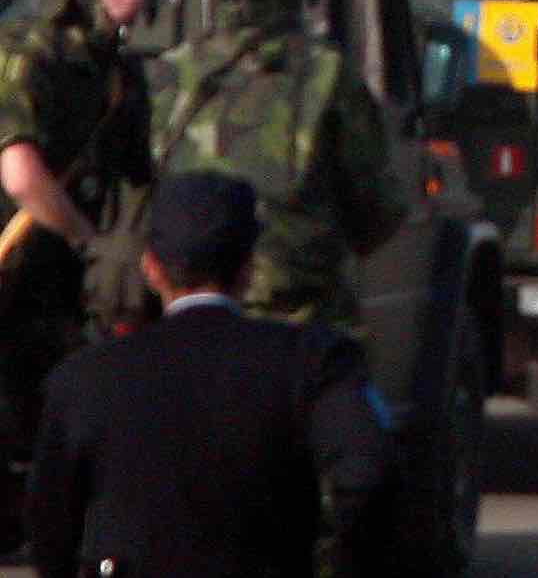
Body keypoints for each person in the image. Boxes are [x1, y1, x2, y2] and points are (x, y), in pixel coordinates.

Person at [28, 171, 393, 578]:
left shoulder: (83, 380)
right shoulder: (315, 361)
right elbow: (367, 475)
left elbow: (49, 522)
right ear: (249, 269)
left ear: (151, 268)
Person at [146, 0, 409, 328]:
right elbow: (377, 212)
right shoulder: (326, 74)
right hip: (301, 323)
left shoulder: (171, 72)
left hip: (186, 316)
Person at [0, 0, 158, 540]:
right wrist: (89, 241)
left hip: (61, 287)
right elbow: (20, 175)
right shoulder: (26, 54)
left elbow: (139, 179)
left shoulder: (120, 74)